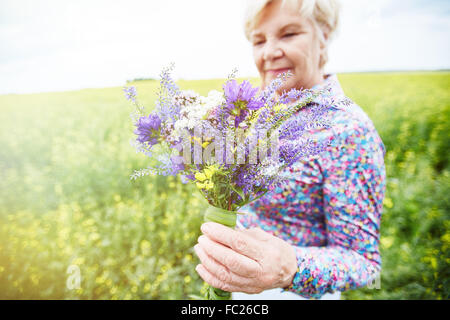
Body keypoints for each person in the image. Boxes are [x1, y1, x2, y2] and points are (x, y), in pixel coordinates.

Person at [194, 0, 386, 300]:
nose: (269, 52)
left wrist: (290, 268)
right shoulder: (248, 113)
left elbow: (364, 262)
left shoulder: (349, 130)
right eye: (259, 40)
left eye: (288, 34)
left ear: (323, 36)